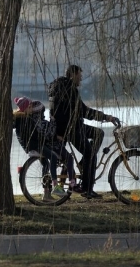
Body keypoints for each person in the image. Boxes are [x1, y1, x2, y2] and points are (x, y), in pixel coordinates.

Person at [48, 64, 121, 199]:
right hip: (71, 129)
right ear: (73, 75)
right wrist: (106, 117)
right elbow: (84, 111)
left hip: (70, 126)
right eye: (79, 76)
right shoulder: (69, 89)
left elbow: (58, 112)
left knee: (98, 133)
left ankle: (83, 164)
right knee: (90, 155)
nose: (81, 79)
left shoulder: (59, 88)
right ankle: (87, 189)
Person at [12, 96, 78, 201]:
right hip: (35, 145)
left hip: (34, 145)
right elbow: (34, 135)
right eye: (30, 107)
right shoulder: (24, 120)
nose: (32, 109)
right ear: (26, 108)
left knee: (46, 164)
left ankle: (46, 194)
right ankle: (55, 186)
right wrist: (51, 137)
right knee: (53, 157)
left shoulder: (23, 118)